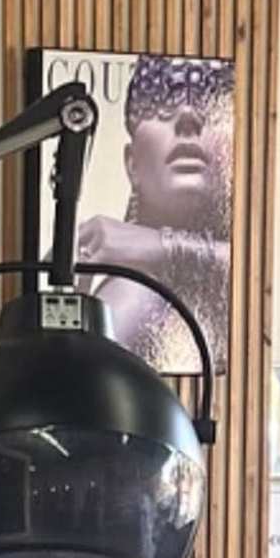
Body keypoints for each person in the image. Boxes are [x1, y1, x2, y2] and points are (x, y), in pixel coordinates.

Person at [77, 51, 232, 395]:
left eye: (209, 100)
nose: (189, 118)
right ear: (131, 164)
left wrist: (160, 246)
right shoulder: (133, 300)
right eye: (161, 102)